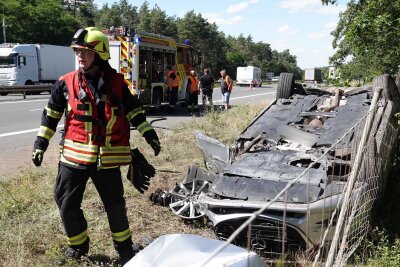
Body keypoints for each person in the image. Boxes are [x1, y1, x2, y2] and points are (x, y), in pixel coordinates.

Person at [31, 27, 161, 265]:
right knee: (67, 205)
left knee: (115, 206)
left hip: (107, 160)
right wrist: (40, 143)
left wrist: (149, 133)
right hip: (73, 158)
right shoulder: (65, 83)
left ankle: (124, 250)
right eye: (77, 51)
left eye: (85, 51)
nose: (80, 56)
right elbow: (50, 115)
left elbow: (134, 111)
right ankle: (78, 248)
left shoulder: (117, 84)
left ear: (99, 53)